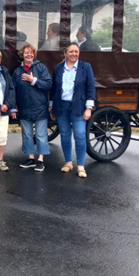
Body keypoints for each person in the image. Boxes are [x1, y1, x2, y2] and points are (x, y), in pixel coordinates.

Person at [50, 42, 96, 178]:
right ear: (65, 53)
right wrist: (52, 106)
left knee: (80, 134)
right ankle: (68, 162)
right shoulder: (58, 68)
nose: (74, 54)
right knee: (65, 134)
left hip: (79, 107)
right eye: (71, 51)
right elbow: (54, 89)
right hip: (62, 106)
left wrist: (88, 108)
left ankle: (81, 166)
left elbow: (91, 88)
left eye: (76, 51)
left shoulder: (86, 67)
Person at [11, 43, 52, 172]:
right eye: (26, 53)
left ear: (34, 55)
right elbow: (13, 90)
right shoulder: (17, 71)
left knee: (40, 134)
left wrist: (32, 80)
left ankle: (40, 159)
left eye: (31, 52)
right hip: (24, 106)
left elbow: (48, 84)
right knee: (27, 135)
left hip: (39, 106)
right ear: (22, 55)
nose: (29, 55)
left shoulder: (41, 67)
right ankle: (30, 158)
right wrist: (13, 107)